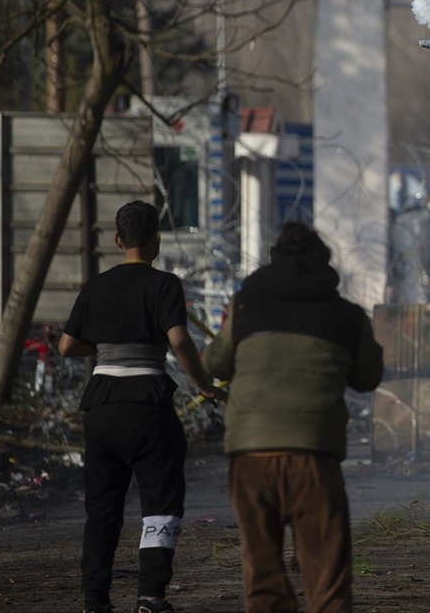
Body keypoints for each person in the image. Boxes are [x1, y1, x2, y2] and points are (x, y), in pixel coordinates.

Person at [202, 221, 383, 613]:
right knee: (327, 583)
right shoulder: (347, 317)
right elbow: (369, 377)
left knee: (263, 580)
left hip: (250, 456)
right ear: (324, 263)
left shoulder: (246, 305)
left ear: (273, 260)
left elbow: (215, 362)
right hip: (313, 458)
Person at [58, 200, 227, 613]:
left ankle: (95, 600)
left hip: (100, 407)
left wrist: (104, 347)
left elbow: (66, 346)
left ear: (118, 241)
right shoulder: (164, 284)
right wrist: (204, 385)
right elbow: (179, 341)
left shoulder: (95, 285)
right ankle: (150, 596)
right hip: (147, 405)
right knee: (160, 502)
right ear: (155, 242)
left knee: (102, 510)